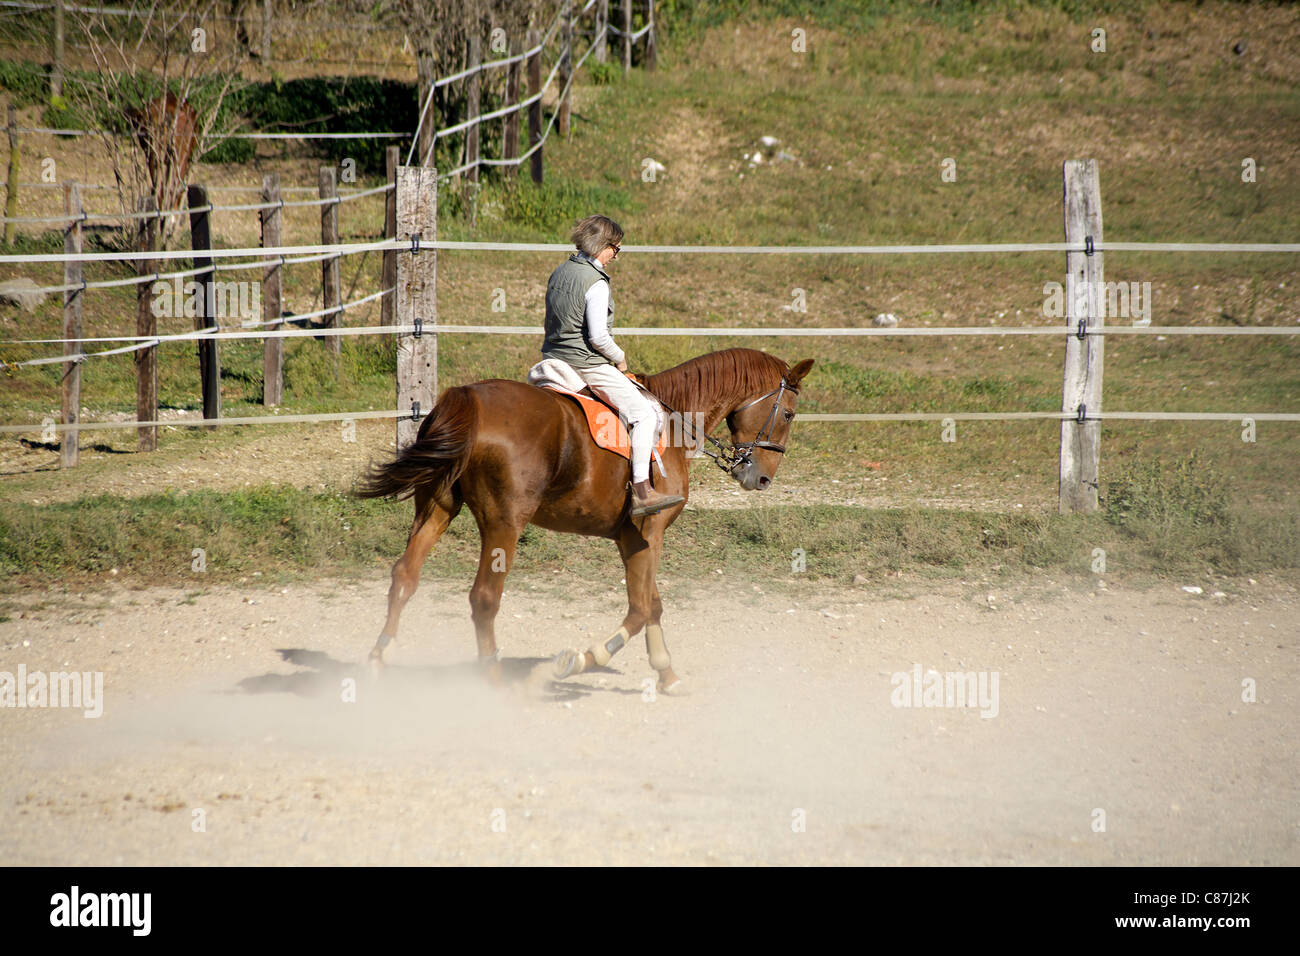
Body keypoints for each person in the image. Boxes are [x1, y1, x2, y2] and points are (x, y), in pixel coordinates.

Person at [542, 215, 684, 517]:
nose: (615, 256)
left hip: (552, 359)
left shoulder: (560, 271)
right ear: (601, 245)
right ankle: (643, 491)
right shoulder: (596, 283)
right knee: (644, 415)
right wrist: (620, 358)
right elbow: (597, 337)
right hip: (586, 364)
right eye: (615, 249)